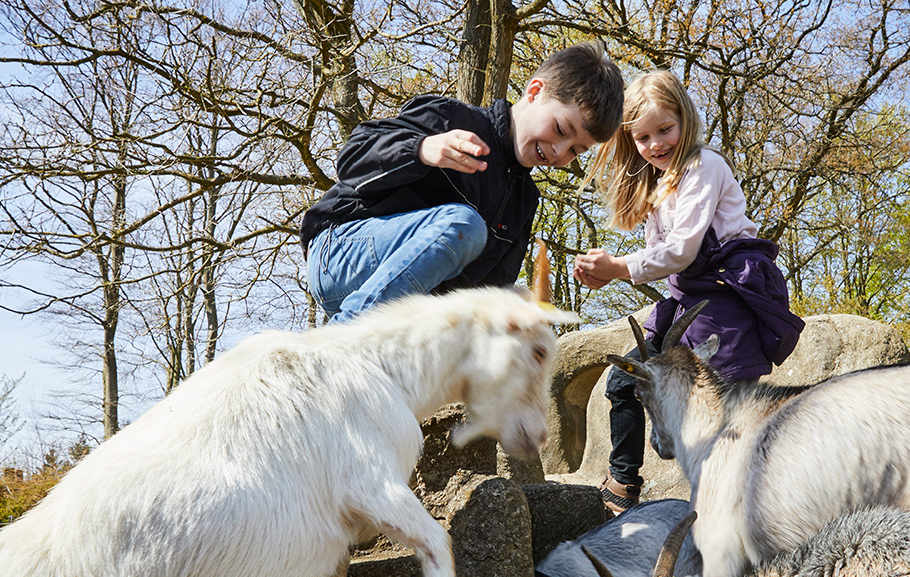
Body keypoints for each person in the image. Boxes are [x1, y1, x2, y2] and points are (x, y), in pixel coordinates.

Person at [574, 70, 804, 517]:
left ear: (685, 119)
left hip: (726, 302)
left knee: (722, 416)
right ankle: (623, 482)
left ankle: (740, 508)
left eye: (665, 129)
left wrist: (619, 268)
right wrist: (607, 273)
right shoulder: (657, 183)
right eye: (643, 137)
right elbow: (664, 255)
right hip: (684, 304)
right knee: (626, 379)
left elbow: (682, 250)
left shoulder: (704, 166)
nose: (656, 143)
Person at [301, 43, 625, 325]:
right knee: (465, 227)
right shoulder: (451, 119)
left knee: (513, 301)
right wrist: (421, 150)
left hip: (405, 304)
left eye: (575, 151)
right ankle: (337, 345)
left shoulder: (523, 202)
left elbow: (490, 289)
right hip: (340, 250)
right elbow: (352, 159)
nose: (558, 151)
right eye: (560, 129)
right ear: (535, 91)